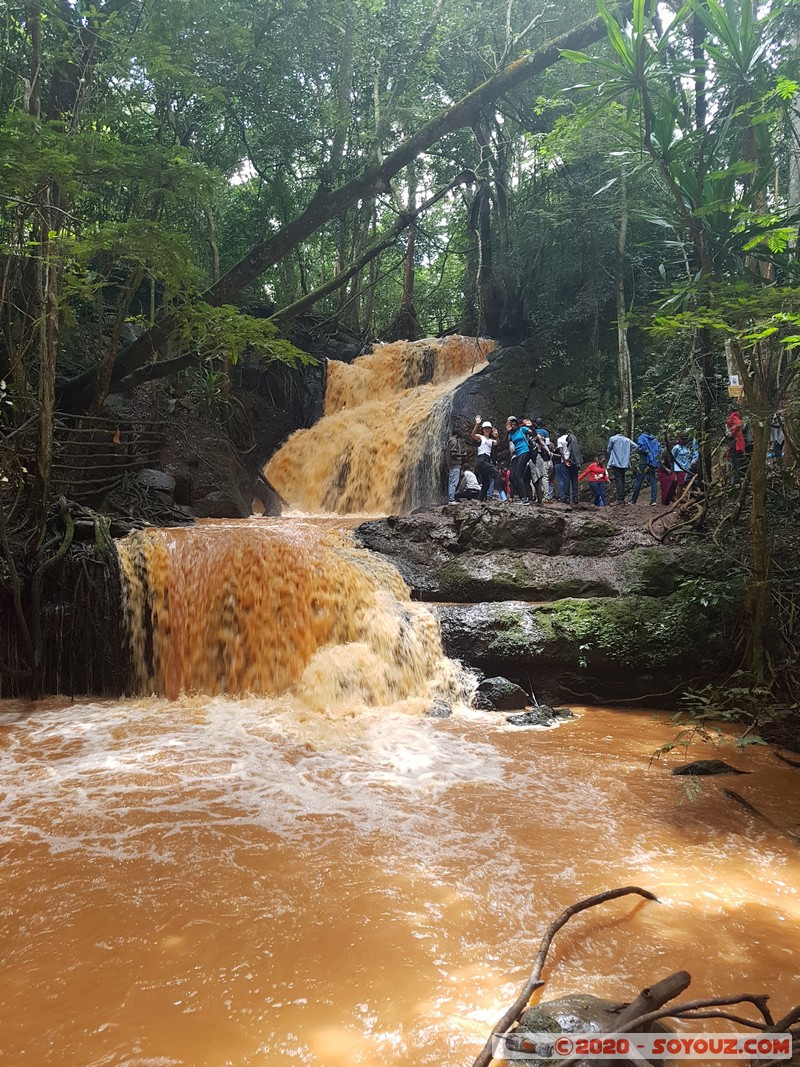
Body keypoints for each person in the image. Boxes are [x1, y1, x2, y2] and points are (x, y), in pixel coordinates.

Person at [471, 417, 500, 501]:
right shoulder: (480, 437)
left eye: (488, 428)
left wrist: (497, 436)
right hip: (481, 460)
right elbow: (473, 435)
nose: (487, 430)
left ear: (490, 430)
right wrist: (477, 424)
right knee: (497, 474)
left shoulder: (491, 440)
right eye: (485, 428)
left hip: (486, 461)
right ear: (483, 430)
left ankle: (480, 500)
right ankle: (499, 491)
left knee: (486, 483)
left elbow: (497, 442)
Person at [505, 416, 533, 505]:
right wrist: (507, 431)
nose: (512, 425)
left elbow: (533, 434)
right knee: (512, 477)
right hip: (517, 454)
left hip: (525, 451)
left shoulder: (522, 429)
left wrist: (531, 426)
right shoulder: (510, 434)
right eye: (510, 423)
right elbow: (506, 444)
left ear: (516, 423)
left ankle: (524, 498)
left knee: (518, 475)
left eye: (514, 423)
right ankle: (522, 497)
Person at [606, 429, 638, 505]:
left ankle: (620, 498)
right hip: (624, 462)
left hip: (616, 462)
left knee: (618, 479)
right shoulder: (627, 440)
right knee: (622, 479)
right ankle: (622, 498)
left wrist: (613, 453)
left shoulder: (613, 438)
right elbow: (636, 446)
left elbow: (608, 450)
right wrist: (628, 453)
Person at [631, 430, 660, 506]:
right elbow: (658, 451)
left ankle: (633, 501)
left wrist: (639, 451)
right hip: (652, 462)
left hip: (643, 461)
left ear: (643, 432)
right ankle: (653, 500)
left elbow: (642, 447)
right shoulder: (654, 440)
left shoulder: (641, 438)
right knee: (653, 480)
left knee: (639, 480)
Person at [556, 427, 582, 505]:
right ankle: (575, 498)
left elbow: (561, 451)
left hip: (566, 461)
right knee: (574, 480)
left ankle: (567, 498)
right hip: (574, 461)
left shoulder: (560, 439)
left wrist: (565, 461)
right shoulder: (572, 438)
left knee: (566, 480)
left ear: (559, 432)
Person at [534, 418, 555, 501]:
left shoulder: (533, 432)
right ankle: (546, 497)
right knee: (545, 477)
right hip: (545, 458)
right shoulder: (545, 432)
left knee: (535, 477)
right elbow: (548, 444)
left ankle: (534, 496)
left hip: (535, 457)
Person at [725, 404, 746, 484]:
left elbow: (739, 424)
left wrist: (732, 432)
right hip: (735, 441)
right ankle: (736, 480)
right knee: (735, 462)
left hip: (736, 442)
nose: (727, 410)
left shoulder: (734, 416)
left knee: (735, 463)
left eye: (728, 408)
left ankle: (736, 481)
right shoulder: (734, 416)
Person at [447, 428, 467, 503]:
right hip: (455, 464)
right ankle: (451, 499)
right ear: (458, 433)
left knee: (452, 482)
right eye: (461, 432)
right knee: (454, 482)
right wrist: (463, 455)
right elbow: (453, 453)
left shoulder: (450, 441)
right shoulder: (454, 441)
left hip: (451, 464)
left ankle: (452, 497)